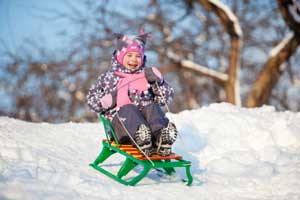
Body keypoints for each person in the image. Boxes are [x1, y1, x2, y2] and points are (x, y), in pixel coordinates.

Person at [86, 30, 177, 156]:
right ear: (119, 56)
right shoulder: (108, 78)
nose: (134, 59)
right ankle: (141, 137)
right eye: (129, 55)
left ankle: (161, 137)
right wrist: (104, 101)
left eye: (138, 56)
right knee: (129, 109)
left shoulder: (146, 75)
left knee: (152, 107)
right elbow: (91, 100)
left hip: (149, 129)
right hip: (120, 127)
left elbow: (165, 99)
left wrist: (159, 83)